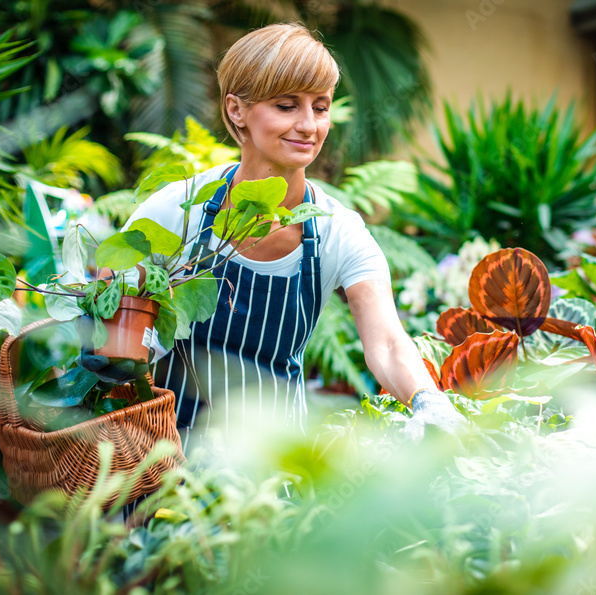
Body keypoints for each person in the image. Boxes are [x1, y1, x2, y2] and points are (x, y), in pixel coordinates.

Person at [123, 23, 464, 456]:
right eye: (286, 106)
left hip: (271, 475)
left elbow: (388, 341)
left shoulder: (336, 231)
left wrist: (427, 400)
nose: (308, 126)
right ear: (236, 111)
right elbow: (113, 317)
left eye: (320, 108)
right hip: (157, 463)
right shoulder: (177, 211)